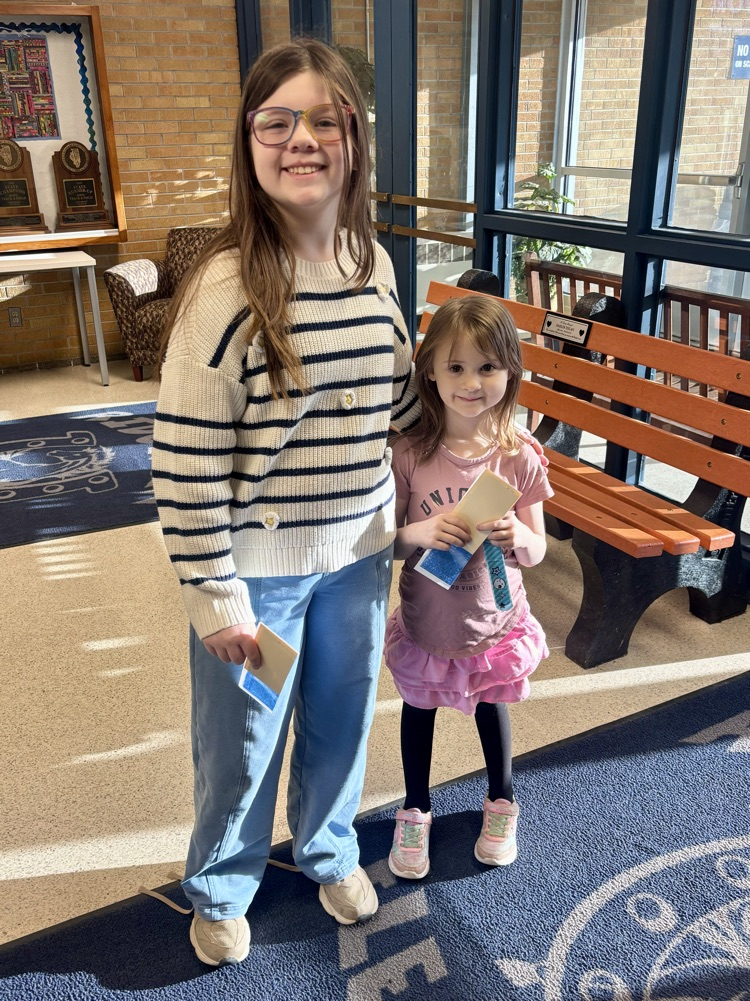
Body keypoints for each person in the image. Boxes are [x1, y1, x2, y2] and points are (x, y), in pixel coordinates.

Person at [151, 38, 420, 967]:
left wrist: (477, 437)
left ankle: (328, 848)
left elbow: (398, 405)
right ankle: (222, 885)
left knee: (342, 723)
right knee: (245, 744)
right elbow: (183, 467)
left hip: (358, 558)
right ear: (250, 141)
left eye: (323, 119)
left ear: (354, 137)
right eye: (277, 120)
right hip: (258, 578)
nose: (300, 139)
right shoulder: (225, 288)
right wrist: (215, 597)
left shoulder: (372, 261)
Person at [384, 294, 553, 880]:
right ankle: (415, 807)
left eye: (487, 367)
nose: (471, 382)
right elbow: (391, 544)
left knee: (493, 705)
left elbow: (538, 550)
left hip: (493, 623)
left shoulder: (520, 457)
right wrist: (421, 530)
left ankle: (502, 800)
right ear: (428, 370)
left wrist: (516, 540)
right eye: (455, 367)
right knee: (418, 709)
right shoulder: (408, 454)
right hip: (428, 620)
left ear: (511, 370)